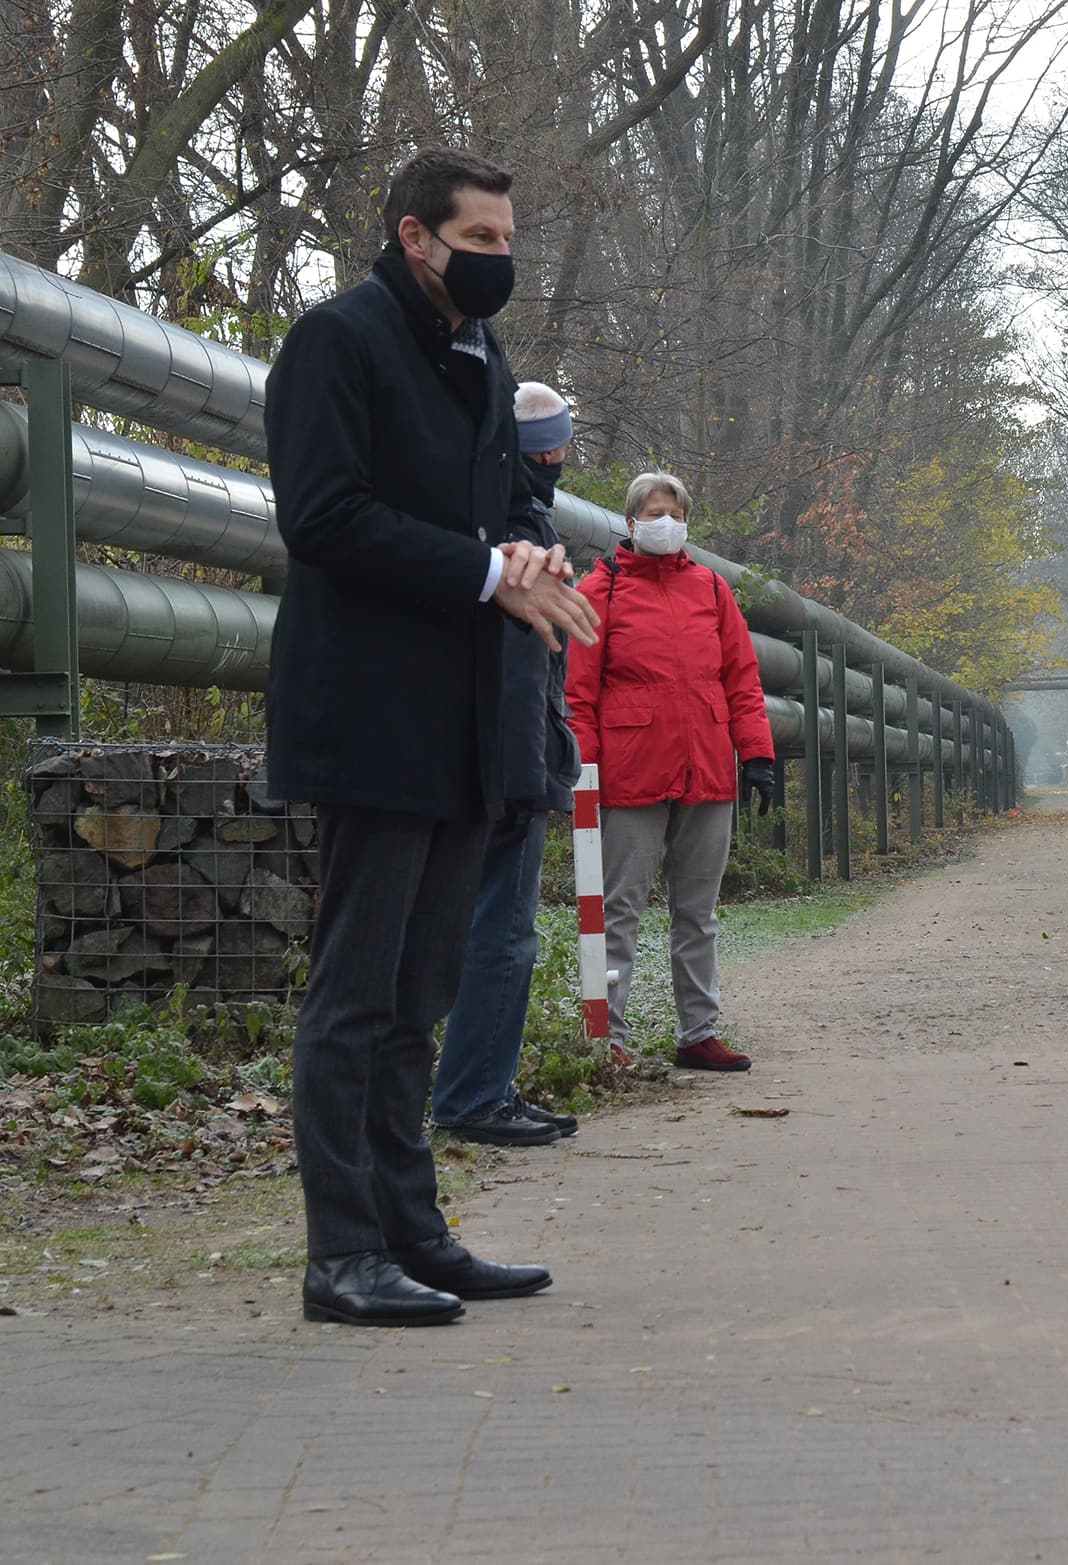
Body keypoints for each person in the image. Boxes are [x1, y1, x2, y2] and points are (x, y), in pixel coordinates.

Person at [267, 149, 600, 1327]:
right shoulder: (339, 342)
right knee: (353, 998)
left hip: (466, 728)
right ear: (416, 236)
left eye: (510, 240)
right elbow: (321, 514)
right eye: (484, 240)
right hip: (368, 719)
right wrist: (480, 570)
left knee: (419, 995)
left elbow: (508, 499)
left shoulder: (481, 351)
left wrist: (532, 546)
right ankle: (340, 1251)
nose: (502, 259)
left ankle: (414, 1229)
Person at [566, 472, 777, 1072]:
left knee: (698, 912)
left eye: (675, 514)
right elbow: (577, 694)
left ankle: (698, 1032)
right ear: (630, 523)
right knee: (617, 910)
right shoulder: (598, 592)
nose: (666, 523)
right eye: (654, 513)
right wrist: (585, 773)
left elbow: (741, 680)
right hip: (631, 777)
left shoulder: (711, 590)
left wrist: (757, 754)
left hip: (707, 769)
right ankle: (608, 1036)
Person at [429, 382, 584, 1148]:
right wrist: (531, 775)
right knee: (504, 931)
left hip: (500, 755)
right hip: (510, 762)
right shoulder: (523, 535)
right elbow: (527, 672)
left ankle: (480, 1084)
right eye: (549, 445)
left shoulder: (504, 515)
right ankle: (472, 1094)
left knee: (491, 927)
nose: (556, 455)